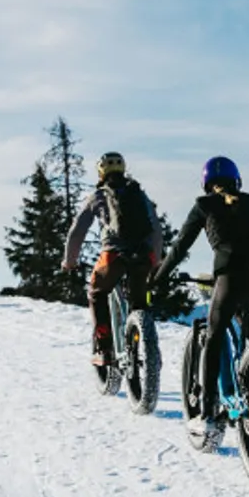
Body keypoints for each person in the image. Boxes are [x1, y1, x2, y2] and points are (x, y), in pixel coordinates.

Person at [149, 156, 249, 437]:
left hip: (231, 276)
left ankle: (207, 414)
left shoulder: (204, 205)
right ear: (237, 181)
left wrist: (158, 277)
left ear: (206, 184)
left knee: (214, 334)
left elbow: (180, 247)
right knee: (242, 310)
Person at [63, 152, 164, 370]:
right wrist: (155, 260)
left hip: (113, 256)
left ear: (101, 173)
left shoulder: (98, 196)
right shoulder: (139, 194)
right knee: (139, 302)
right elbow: (156, 228)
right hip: (143, 256)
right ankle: (147, 348)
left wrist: (69, 261)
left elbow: (77, 231)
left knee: (97, 292)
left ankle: (104, 348)